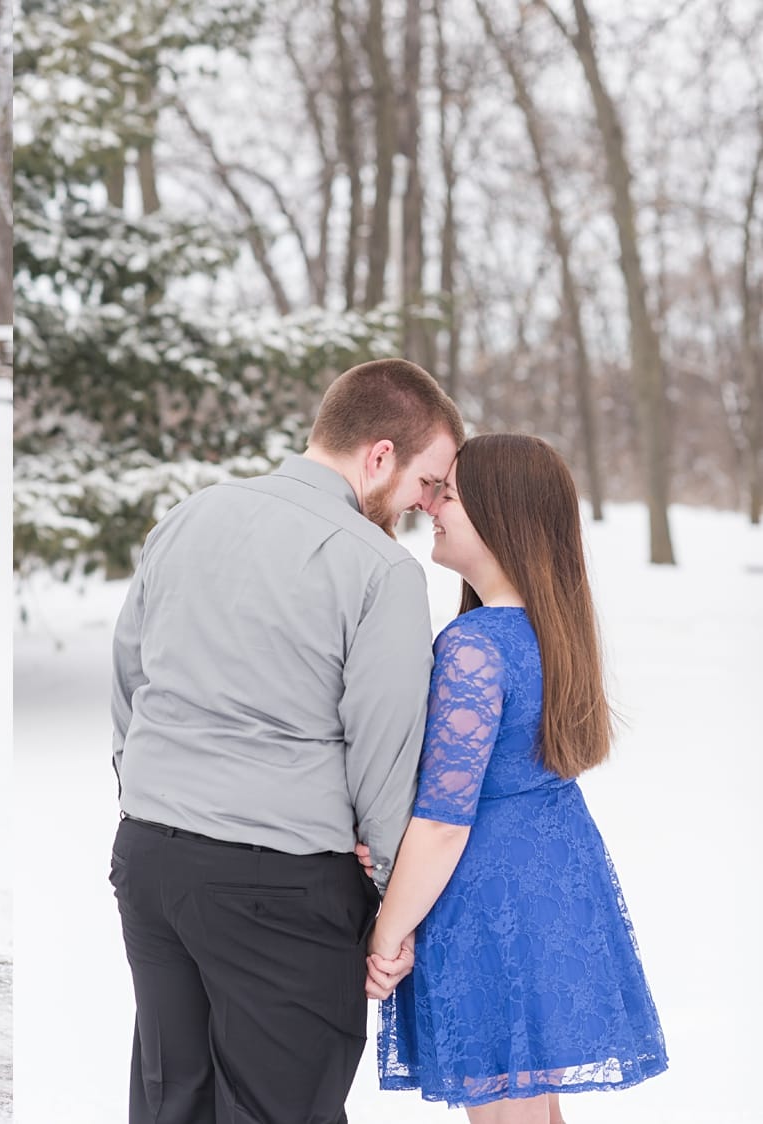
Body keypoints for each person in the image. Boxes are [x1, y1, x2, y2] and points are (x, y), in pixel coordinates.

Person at [110, 358, 464, 1124]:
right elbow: (385, 758)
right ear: (379, 455)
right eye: (427, 482)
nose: (425, 504)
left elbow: (131, 679)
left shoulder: (188, 515)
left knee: (171, 1104)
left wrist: (146, 795)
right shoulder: (381, 571)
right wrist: (387, 906)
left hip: (150, 864)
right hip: (280, 885)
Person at [364, 434, 667, 1121]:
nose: (433, 506)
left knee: (508, 1114)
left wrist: (386, 934)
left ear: (501, 516)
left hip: (491, 901)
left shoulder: (475, 647)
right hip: (555, 882)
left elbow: (443, 820)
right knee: (532, 1109)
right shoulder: (550, 630)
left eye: (452, 495)